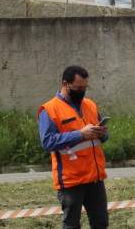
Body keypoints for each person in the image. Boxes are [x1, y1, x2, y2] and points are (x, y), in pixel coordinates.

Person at [37, 66, 109, 229]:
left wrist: (102, 133)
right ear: (65, 84)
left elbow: (103, 137)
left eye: (85, 87)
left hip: (95, 178)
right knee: (71, 225)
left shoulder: (90, 105)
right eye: (78, 88)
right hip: (71, 181)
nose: (82, 91)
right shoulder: (49, 110)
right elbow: (48, 142)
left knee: (101, 223)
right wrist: (81, 134)